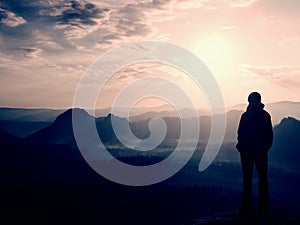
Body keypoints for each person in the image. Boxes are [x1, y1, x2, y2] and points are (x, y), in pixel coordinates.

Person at [236, 92, 273, 213]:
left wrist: (241, 147)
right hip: (260, 152)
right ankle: (263, 205)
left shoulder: (246, 116)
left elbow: (240, 134)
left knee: (247, 178)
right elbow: (269, 136)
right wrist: (264, 148)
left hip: (247, 152)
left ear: (249, 101)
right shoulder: (265, 116)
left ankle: (247, 205)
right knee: (262, 178)